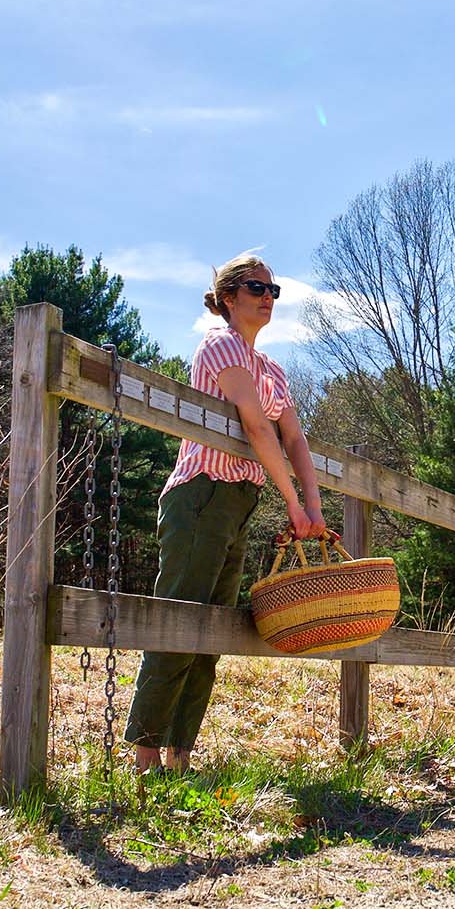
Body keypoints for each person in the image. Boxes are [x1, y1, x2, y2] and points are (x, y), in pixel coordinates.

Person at [124, 254, 327, 775]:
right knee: (178, 621)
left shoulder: (273, 371)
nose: (267, 297)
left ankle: (179, 760)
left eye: (274, 290)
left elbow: (294, 439)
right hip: (201, 495)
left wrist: (313, 505)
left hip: (240, 500)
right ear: (229, 296)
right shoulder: (221, 345)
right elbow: (258, 428)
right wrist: (291, 503)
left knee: (210, 633)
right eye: (256, 287)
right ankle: (145, 762)